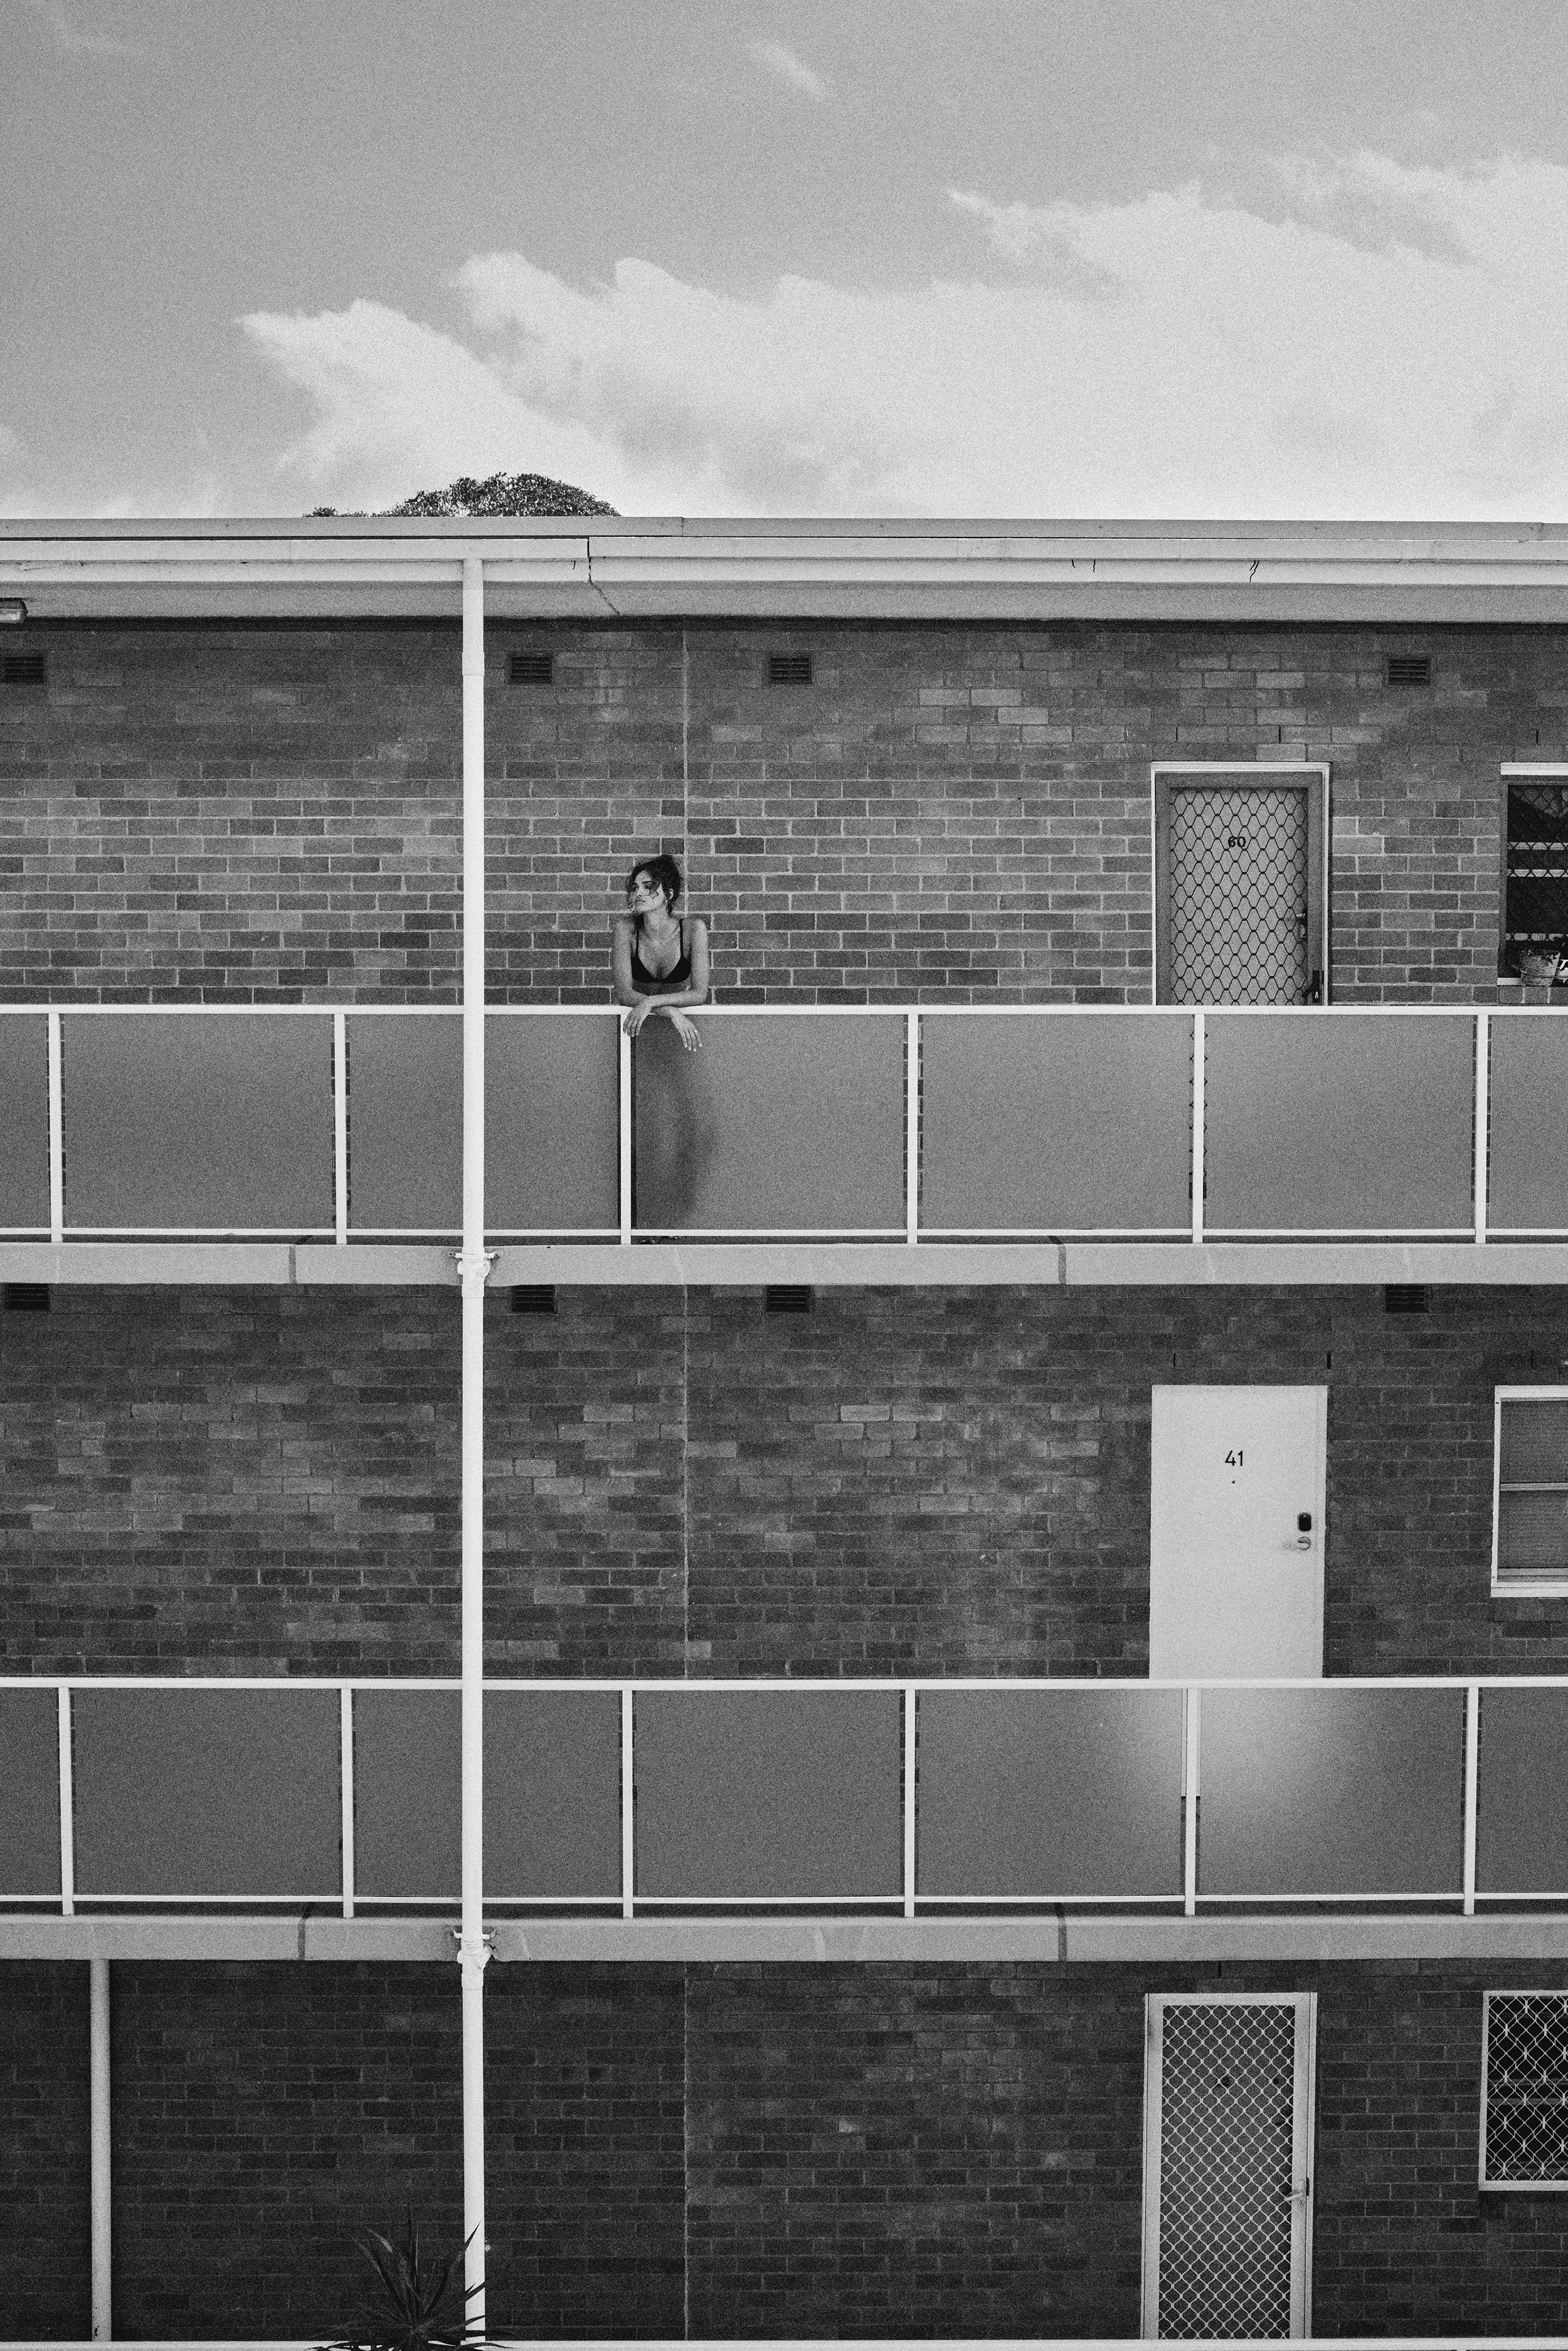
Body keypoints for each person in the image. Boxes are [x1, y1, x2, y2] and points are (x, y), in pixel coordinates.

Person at [612, 853, 710, 1050]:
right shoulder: (626, 929)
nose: (638, 893)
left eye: (648, 887)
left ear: (669, 894)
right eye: (635, 887)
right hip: (637, 1028)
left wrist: (651, 1002)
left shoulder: (693, 930)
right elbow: (624, 993)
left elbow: (699, 993)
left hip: (679, 1034)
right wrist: (672, 1012)